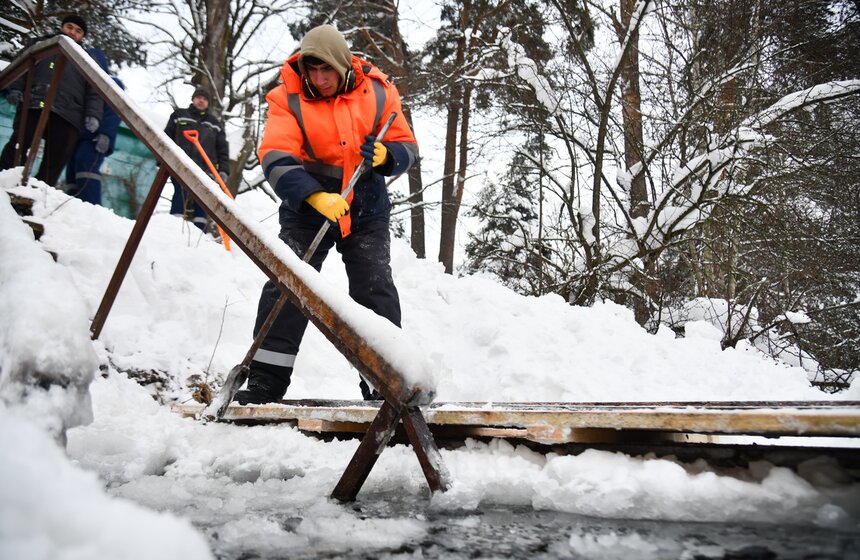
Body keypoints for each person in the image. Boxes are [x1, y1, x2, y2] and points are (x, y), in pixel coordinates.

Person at [234, 24, 418, 404]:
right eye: (312, 71)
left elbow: (407, 145)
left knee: (375, 290)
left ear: (342, 64)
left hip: (365, 205)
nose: (319, 79)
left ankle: (382, 381)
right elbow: (275, 156)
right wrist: (314, 197)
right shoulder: (288, 97)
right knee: (288, 285)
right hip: (307, 209)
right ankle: (265, 381)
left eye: (326, 71)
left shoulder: (380, 91)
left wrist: (388, 157)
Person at [0, 14, 103, 186]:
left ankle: (39, 194)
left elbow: (95, 90)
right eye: (69, 27)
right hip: (35, 103)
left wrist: (94, 114)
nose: (72, 32)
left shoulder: (87, 59)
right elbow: (21, 64)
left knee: (56, 157)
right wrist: (15, 88)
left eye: (78, 31)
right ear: (62, 27)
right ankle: (4, 180)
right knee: (19, 145)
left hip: (68, 113)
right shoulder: (41, 45)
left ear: (82, 36)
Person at [164, 85, 230, 231]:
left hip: (206, 170)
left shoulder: (214, 123)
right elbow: (166, 138)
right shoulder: (179, 115)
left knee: (202, 202)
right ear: (193, 99)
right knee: (179, 196)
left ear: (208, 103)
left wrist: (224, 170)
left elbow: (222, 150)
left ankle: (200, 235)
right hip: (181, 166)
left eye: (205, 99)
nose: (201, 101)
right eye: (199, 98)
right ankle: (173, 231)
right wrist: (162, 161)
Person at [64, 48, 125, 205]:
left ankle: (90, 206)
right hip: (77, 136)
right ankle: (71, 204)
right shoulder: (81, 83)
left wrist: (106, 134)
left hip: (96, 137)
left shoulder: (112, 84)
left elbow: (114, 112)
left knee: (86, 166)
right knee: (71, 171)